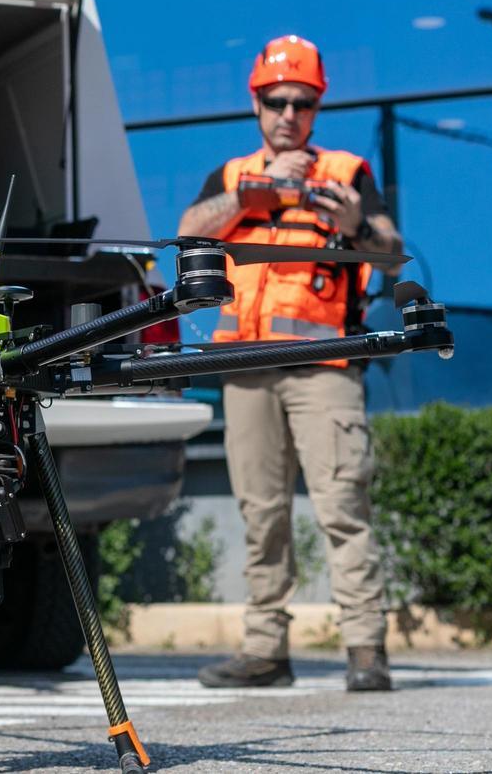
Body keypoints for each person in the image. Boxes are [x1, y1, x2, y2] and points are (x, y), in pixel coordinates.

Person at [178, 35, 403, 692]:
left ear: (317, 107)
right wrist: (257, 197)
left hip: (324, 368)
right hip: (248, 367)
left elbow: (390, 254)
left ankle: (366, 650)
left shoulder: (346, 172)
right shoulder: (231, 178)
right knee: (260, 512)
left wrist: (359, 226)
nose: (288, 115)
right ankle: (265, 651)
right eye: (276, 101)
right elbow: (190, 230)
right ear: (257, 103)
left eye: (301, 103)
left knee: (342, 504)